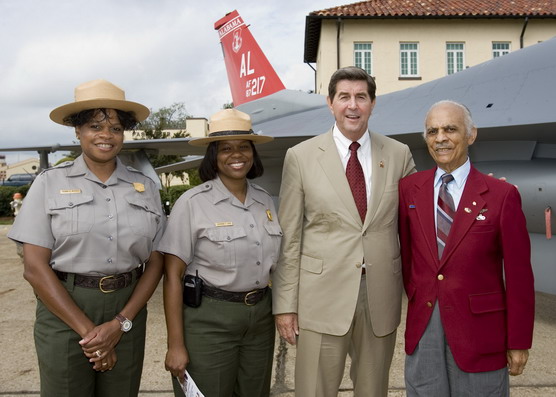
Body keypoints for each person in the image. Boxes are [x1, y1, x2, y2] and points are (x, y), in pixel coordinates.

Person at [8, 79, 165, 397]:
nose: (107, 135)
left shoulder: (145, 187)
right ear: (77, 131)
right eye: (95, 126)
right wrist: (93, 335)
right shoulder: (49, 183)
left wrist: (119, 324)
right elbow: (34, 268)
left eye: (117, 128)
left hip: (127, 312)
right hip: (64, 312)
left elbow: (156, 261)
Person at [272, 66, 416, 397]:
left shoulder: (398, 155)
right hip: (320, 296)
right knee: (315, 390)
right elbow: (289, 238)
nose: (353, 105)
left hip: (379, 295)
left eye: (361, 97)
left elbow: (416, 219)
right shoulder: (301, 157)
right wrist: (285, 305)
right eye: (344, 97)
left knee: (373, 389)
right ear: (330, 103)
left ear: (373, 103)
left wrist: (470, 193)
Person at [398, 100, 535, 396]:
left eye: (450, 129)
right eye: (432, 131)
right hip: (425, 328)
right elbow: (408, 256)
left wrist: (519, 340)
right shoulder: (409, 189)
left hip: (480, 334)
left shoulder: (501, 195)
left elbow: (519, 275)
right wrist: (421, 292)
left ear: (471, 135)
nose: (441, 138)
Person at [159, 108, 282, 397]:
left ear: (253, 153)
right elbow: (172, 276)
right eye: (225, 148)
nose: (236, 155)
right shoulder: (192, 203)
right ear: (213, 156)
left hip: (260, 318)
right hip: (210, 320)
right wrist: (175, 344)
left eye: (243, 147)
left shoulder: (265, 200)